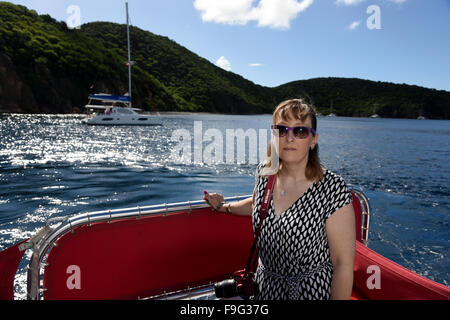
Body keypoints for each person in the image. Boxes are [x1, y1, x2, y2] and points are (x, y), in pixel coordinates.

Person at [203, 98, 355, 300]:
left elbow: (343, 264)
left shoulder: (332, 188)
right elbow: (258, 204)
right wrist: (223, 206)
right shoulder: (266, 173)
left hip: (310, 292)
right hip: (266, 289)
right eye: (281, 130)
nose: (289, 138)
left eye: (300, 131)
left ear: (313, 140)